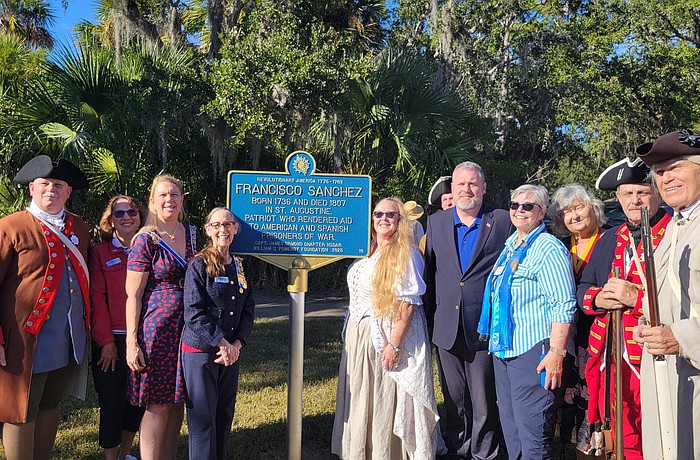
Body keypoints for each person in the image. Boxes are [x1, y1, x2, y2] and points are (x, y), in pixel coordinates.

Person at [332, 197, 441, 459]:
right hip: (360, 336)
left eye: (391, 214)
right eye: (378, 214)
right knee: (363, 394)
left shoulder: (406, 253)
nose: (384, 219)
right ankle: (362, 450)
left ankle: (387, 452)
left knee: (383, 394)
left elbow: (407, 303)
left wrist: (394, 345)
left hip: (388, 335)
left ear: (400, 220)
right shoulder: (367, 249)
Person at [577, 157, 670, 460]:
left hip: (653, 353)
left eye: (642, 192)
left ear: (657, 193)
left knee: (658, 431)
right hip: (611, 354)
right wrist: (598, 299)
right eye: (627, 193)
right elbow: (584, 287)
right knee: (620, 432)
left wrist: (636, 297)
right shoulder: (610, 238)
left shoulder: (673, 232)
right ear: (617, 197)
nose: (635, 200)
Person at [477, 184, 577, 460]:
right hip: (505, 350)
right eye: (515, 205)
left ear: (542, 212)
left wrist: (556, 353)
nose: (519, 210)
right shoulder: (512, 245)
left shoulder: (548, 248)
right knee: (512, 432)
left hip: (534, 352)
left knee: (533, 435)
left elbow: (564, 304)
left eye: (528, 206)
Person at [0, 155, 90, 459]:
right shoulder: (10, 227)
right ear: (32, 188)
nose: (51, 189)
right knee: (21, 410)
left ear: (68, 192)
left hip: (68, 338)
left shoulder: (79, 227)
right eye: (45, 184)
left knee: (51, 403)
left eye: (58, 185)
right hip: (24, 340)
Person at [423, 161, 511, 459]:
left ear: (483, 187)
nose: (466, 189)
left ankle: (484, 452)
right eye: (461, 184)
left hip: (483, 325)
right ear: (453, 188)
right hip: (445, 324)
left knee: (483, 397)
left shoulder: (502, 221)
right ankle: (459, 449)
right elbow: (429, 273)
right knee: (454, 397)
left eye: (472, 183)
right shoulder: (436, 223)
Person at [634, 129, 700, 459]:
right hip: (666, 376)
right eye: (660, 172)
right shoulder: (676, 224)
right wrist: (646, 323)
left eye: (676, 168)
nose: (666, 178)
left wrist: (681, 337)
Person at [126, 174, 197, 460]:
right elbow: (133, 295)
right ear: (153, 202)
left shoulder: (193, 234)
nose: (169, 200)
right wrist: (132, 342)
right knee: (158, 403)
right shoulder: (145, 240)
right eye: (163, 195)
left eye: (174, 194)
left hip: (190, 328)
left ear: (182, 200)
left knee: (178, 401)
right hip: (158, 330)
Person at [182, 207, 255, 460]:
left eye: (227, 224)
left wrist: (237, 344)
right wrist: (221, 342)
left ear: (235, 229)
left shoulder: (239, 266)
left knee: (223, 415)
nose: (222, 229)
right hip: (201, 352)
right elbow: (193, 312)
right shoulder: (198, 264)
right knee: (203, 420)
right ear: (208, 230)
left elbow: (248, 308)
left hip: (230, 353)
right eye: (216, 225)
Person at [548, 183, 607, 456]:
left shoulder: (610, 240)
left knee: (594, 391)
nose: (574, 216)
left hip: (597, 331)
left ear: (592, 208)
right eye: (567, 212)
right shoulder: (560, 246)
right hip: (566, 334)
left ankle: (595, 447)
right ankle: (564, 444)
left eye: (579, 207)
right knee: (566, 391)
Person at [89, 195, 146, 460]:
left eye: (131, 212)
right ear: (110, 221)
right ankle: (111, 457)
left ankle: (125, 453)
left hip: (144, 337)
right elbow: (96, 299)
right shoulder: (100, 252)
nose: (126, 217)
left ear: (139, 217)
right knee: (111, 402)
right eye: (119, 213)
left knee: (137, 401)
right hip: (112, 339)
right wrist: (106, 342)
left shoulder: (150, 247)